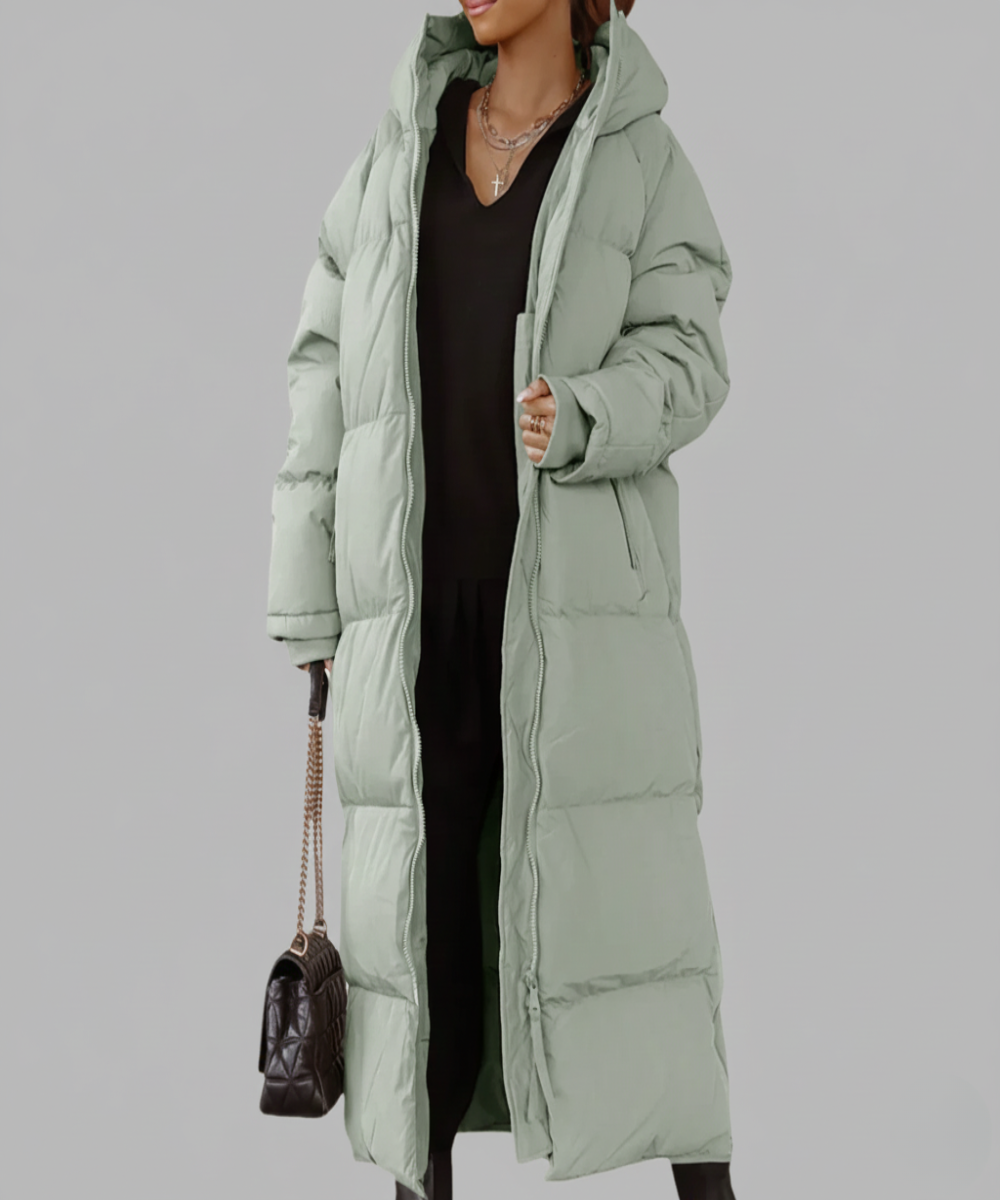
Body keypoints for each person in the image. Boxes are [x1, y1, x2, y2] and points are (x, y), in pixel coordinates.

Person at [266, 3, 738, 1198]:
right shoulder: (397, 154)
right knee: (421, 950)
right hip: (411, 621)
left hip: (574, 623)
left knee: (630, 924)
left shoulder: (637, 156)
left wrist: (586, 411)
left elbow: (689, 357)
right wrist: (308, 595)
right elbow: (321, 371)